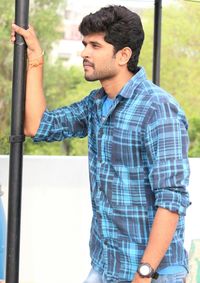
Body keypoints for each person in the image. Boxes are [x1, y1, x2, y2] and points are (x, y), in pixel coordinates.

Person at [11, 5, 190, 283]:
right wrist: (36, 59)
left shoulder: (158, 109)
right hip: (106, 266)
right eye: (85, 44)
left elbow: (171, 200)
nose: (84, 52)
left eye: (95, 45)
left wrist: (144, 273)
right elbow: (37, 125)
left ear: (123, 55)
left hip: (150, 273)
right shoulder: (96, 104)